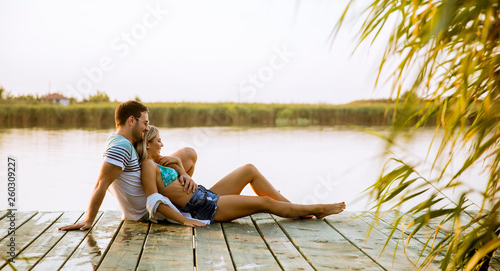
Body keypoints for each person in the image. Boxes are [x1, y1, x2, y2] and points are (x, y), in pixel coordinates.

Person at [139, 125, 346, 227]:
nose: (162, 144)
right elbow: (154, 201)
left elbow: (180, 183)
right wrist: (185, 221)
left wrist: (180, 168)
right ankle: (316, 209)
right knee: (264, 202)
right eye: (158, 141)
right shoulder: (148, 166)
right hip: (204, 209)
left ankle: (292, 207)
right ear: (147, 144)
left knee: (249, 169)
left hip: (205, 195)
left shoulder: (161, 162)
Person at [58, 100, 198, 231]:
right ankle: (183, 200)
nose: (147, 128)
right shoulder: (121, 147)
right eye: (145, 123)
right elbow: (101, 184)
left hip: (152, 190)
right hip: (148, 211)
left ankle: (183, 193)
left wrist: (181, 169)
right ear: (131, 120)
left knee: (188, 154)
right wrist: (88, 220)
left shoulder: (121, 141)